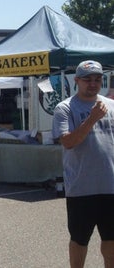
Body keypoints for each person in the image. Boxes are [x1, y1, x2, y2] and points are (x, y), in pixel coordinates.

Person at [52, 60, 114, 268]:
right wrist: (91, 119)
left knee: (111, 240)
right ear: (77, 80)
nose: (93, 84)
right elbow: (68, 142)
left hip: (110, 186)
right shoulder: (65, 108)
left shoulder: (112, 105)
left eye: (97, 79)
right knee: (79, 240)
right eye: (87, 80)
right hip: (81, 188)